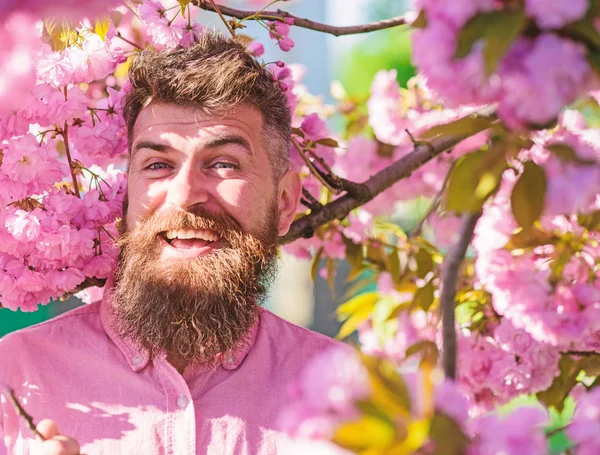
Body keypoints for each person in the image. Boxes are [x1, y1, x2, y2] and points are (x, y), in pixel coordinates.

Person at [0, 30, 341, 454]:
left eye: (223, 163)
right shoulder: (12, 375)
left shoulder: (349, 396)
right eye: (158, 164)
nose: (183, 195)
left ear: (285, 201)